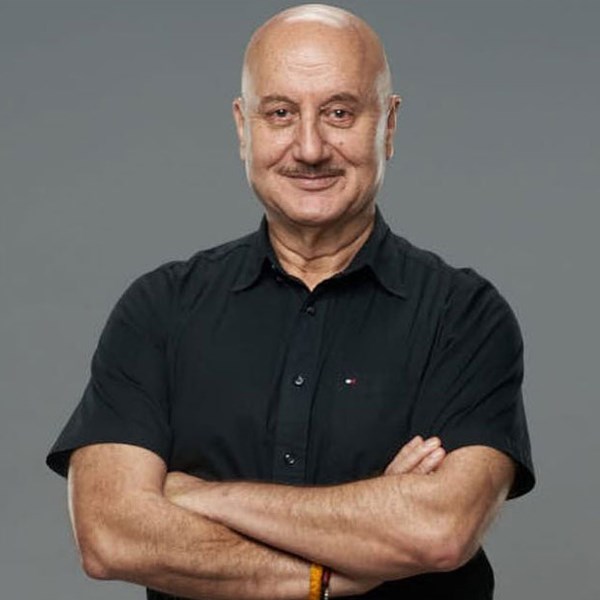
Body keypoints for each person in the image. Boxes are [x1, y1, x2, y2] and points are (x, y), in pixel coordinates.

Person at [46, 4, 534, 599]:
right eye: (280, 113)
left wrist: (203, 496)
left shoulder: (465, 317)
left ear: (388, 125)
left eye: (339, 113)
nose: (309, 147)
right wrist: (344, 559)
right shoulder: (159, 310)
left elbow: (438, 532)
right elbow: (111, 534)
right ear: (242, 127)